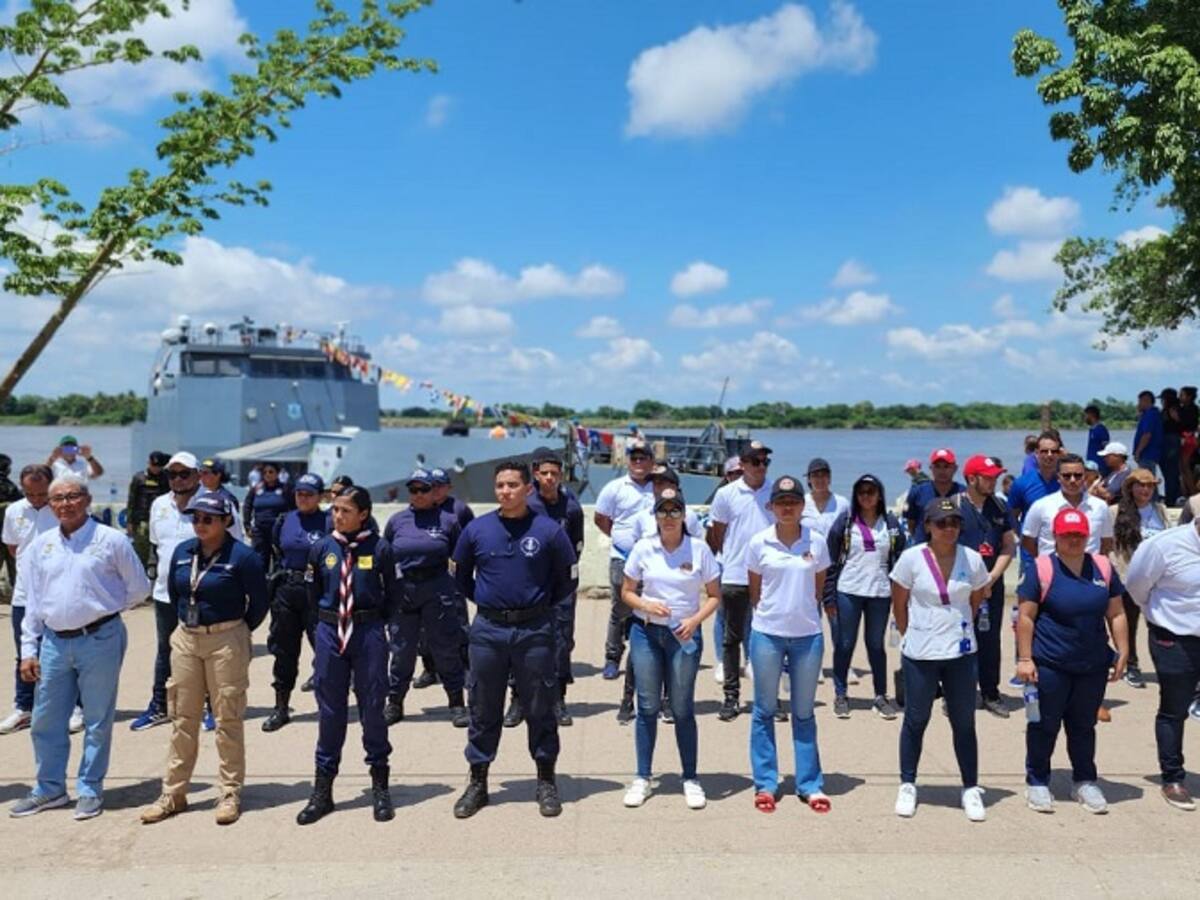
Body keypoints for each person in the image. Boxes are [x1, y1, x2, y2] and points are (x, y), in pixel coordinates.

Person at [9, 474, 149, 820]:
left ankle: (89, 788)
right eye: (57, 498)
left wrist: (104, 609)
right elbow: (33, 603)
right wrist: (28, 650)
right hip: (54, 642)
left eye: (72, 496)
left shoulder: (110, 540)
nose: (65, 504)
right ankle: (49, 788)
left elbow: (139, 588)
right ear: (50, 504)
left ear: (87, 500)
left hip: (100, 638)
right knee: (45, 719)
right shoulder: (42, 546)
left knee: (97, 719)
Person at [450, 460, 576, 820]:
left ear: (528, 489)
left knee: (540, 707)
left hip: (535, 631)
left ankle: (546, 780)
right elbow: (460, 579)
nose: (505, 491)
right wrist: (490, 604)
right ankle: (478, 782)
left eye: (512, 485)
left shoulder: (549, 531)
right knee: (483, 708)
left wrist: (535, 607)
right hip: (489, 631)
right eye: (500, 485)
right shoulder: (477, 529)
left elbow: (566, 580)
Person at [140, 493, 268, 826]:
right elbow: (174, 592)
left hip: (226, 640)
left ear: (226, 521)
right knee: (182, 718)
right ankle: (174, 793)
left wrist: (235, 631)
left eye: (208, 518)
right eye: (195, 517)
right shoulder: (183, 553)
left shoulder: (244, 557)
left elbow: (259, 603)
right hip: (186, 639)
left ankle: (229, 791)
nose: (200, 524)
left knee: (227, 718)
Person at [296, 486, 400, 825]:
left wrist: (374, 624)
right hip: (330, 632)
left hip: (367, 632)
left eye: (345, 510)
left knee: (372, 707)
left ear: (363, 514)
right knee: (330, 710)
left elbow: (394, 596)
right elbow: (312, 594)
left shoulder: (381, 549)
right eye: (335, 509)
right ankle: (323, 790)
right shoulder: (323, 548)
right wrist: (328, 623)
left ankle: (380, 786)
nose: (336, 515)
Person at [1016, 508, 1129, 814]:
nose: (1074, 540)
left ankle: (1085, 780)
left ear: (1087, 536)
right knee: (1044, 724)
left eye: (1079, 535)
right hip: (1050, 662)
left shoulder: (1102, 568)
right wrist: (1025, 659)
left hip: (1091, 664)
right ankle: (1038, 781)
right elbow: (1025, 617)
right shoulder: (1042, 569)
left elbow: (1116, 612)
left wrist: (1124, 650)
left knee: (1083, 725)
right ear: (1056, 536)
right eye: (1067, 535)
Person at [890, 497, 991, 822]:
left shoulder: (973, 559)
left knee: (964, 722)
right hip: (920, 653)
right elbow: (900, 605)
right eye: (941, 523)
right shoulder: (910, 559)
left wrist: (956, 626)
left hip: (961, 653)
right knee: (916, 720)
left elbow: (976, 599)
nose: (949, 529)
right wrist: (916, 634)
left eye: (954, 523)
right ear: (928, 527)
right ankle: (907, 783)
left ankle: (970, 787)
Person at [619, 487, 720, 810]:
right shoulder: (643, 548)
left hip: (684, 635)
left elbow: (715, 595)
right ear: (656, 516)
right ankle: (643, 777)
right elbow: (627, 592)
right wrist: (646, 604)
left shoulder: (699, 548)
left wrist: (694, 620)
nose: (669, 518)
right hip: (646, 633)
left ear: (684, 515)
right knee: (647, 706)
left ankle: (690, 777)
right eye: (663, 511)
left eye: (675, 511)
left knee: (682, 708)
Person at [746, 476, 833, 813]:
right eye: (781, 502)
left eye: (793, 501)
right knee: (764, 709)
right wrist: (774, 614)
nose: (787, 507)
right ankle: (766, 783)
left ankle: (809, 784)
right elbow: (756, 591)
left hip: (807, 635)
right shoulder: (759, 543)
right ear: (771, 506)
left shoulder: (817, 542)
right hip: (767, 633)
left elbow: (818, 587)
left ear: (802, 506)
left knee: (804, 711)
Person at [381, 468, 468, 728]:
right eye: (414, 490)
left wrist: (456, 589)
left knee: (445, 648)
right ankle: (395, 702)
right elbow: (385, 555)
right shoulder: (397, 521)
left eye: (424, 490)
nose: (418, 495)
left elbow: (460, 556)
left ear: (434, 492)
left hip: (437, 588)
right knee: (401, 650)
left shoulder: (448, 520)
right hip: (403, 590)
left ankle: (456, 703)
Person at [1124, 517, 1200, 811]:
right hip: (1174, 638)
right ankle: (1173, 778)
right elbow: (1136, 587)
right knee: (1174, 709)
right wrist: (1159, 618)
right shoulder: (1163, 546)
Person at [620, 463, 705, 725]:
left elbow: (697, 550)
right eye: (655, 482)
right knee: (639, 653)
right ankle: (628, 700)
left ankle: (668, 702)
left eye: (664, 482)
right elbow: (631, 550)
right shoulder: (642, 516)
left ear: (676, 487)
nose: (659, 487)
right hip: (645, 593)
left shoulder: (688, 516)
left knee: (674, 655)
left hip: (677, 600)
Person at [824, 474, 905, 720]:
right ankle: (841, 693)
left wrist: (903, 596)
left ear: (880, 494)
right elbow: (830, 559)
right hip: (848, 590)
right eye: (861, 492)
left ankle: (880, 696)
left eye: (871, 491)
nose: (866, 496)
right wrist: (828, 597)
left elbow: (901, 560)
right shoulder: (846, 521)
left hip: (880, 592)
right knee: (845, 644)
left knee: (876, 645)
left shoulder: (890, 523)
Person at [708, 440, 775, 722]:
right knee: (731, 639)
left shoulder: (777, 491)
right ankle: (731, 697)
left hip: (771, 577)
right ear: (743, 465)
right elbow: (715, 535)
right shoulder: (726, 494)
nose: (761, 467)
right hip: (735, 574)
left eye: (764, 462)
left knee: (770, 639)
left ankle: (769, 698)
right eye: (755, 461)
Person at [522, 446, 585, 727]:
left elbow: (576, 548)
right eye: (544, 473)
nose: (549, 478)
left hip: (560, 587)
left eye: (554, 474)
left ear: (561, 475)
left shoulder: (571, 507)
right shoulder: (525, 504)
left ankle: (558, 699)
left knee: (560, 643)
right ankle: (517, 701)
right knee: (521, 641)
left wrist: (565, 584)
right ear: (535, 474)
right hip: (527, 584)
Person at [261, 472, 329, 732]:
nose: (303, 498)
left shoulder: (329, 521)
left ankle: (329, 706)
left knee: (325, 651)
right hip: (287, 590)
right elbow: (276, 552)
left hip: (318, 592)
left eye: (309, 494)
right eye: (299, 493)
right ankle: (281, 707)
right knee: (284, 652)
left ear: (320, 496)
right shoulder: (284, 520)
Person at [956, 455, 1018, 717]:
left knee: (990, 640)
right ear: (972, 478)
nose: (993, 481)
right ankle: (958, 694)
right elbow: (941, 547)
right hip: (960, 586)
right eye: (988, 477)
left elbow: (1008, 545)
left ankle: (991, 693)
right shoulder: (954, 507)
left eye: (995, 477)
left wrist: (991, 577)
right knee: (958, 638)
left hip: (992, 585)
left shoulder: (1000, 507)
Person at [594, 437, 655, 695]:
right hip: (622, 556)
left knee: (650, 608)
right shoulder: (615, 487)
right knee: (620, 607)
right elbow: (601, 518)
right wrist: (621, 539)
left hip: (653, 559)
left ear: (652, 461)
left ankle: (646, 657)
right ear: (628, 460)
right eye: (634, 458)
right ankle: (612, 657)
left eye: (643, 458)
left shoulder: (660, 487)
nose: (639, 462)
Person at [0, 465, 56, 735]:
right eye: (30, 493)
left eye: (41, 493)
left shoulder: (61, 508)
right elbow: (13, 548)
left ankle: (70, 707)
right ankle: (24, 707)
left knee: (63, 654)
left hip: (57, 595)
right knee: (25, 653)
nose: (36, 499)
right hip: (24, 595)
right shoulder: (13, 511)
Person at [1109, 469, 1168, 690]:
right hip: (1129, 577)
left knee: (1160, 624)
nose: (1145, 490)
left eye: (1150, 486)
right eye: (1141, 485)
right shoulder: (1115, 512)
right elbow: (1109, 546)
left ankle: (1164, 665)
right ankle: (1131, 665)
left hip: (1158, 579)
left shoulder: (1160, 510)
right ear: (1130, 487)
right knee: (1129, 624)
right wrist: (1116, 571)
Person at [1021, 454, 1114, 558]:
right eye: (1067, 476)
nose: (1072, 480)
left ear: (1084, 477)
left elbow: (1106, 542)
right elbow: (1028, 541)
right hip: (1052, 571)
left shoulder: (1100, 506)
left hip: (1090, 571)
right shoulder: (1041, 506)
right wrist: (1046, 562)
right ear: (1058, 477)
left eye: (1078, 475)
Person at [710, 456, 745, 684]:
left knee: (752, 618)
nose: (738, 477)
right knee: (722, 614)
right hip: (725, 564)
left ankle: (751, 659)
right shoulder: (722, 497)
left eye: (742, 472)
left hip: (749, 566)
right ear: (727, 476)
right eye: (734, 473)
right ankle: (722, 661)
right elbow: (714, 533)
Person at [902, 448, 965, 546]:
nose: (942, 471)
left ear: (955, 468)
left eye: (946, 466)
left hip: (955, 550)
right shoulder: (917, 492)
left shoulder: (963, 493)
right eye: (937, 466)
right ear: (931, 468)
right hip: (924, 550)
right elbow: (911, 523)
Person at [243, 461, 294, 572]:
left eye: (271, 472)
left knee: (279, 559)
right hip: (260, 531)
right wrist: (247, 525)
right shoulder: (256, 489)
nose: (268, 474)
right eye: (265, 472)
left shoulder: (286, 489)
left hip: (279, 531)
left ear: (277, 473)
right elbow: (247, 506)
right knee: (259, 560)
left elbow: (293, 508)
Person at [1008, 431, 1062, 529]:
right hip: (1029, 542)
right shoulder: (1021, 483)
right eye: (1044, 451)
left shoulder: (1068, 482)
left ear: (1059, 454)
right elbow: (1011, 518)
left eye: (1054, 451)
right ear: (1036, 453)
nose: (1049, 455)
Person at [126, 451, 170, 568]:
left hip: (161, 518)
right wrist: (130, 521)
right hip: (142, 519)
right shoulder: (139, 478)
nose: (155, 468)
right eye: (153, 465)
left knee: (160, 548)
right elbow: (132, 500)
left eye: (158, 466)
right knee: (141, 549)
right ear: (148, 463)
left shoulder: (167, 478)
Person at [801, 457, 849, 536]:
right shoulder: (801, 503)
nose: (820, 479)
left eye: (823, 475)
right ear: (809, 479)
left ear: (829, 478)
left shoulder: (843, 503)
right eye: (815, 475)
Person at [1133, 389, 1164, 478]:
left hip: (1147, 454)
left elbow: (1147, 435)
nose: (1138, 404)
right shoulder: (1150, 414)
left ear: (1146, 400)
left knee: (1146, 479)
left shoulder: (1150, 414)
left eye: (1140, 401)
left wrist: (1138, 452)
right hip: (1149, 454)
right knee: (1148, 479)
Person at [1160, 388, 1183, 505]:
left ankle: (1171, 499)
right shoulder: (1170, 409)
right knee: (1170, 472)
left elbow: (1179, 423)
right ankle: (1174, 497)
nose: (1162, 402)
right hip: (1170, 440)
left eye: (1163, 399)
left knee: (1171, 472)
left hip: (1171, 440)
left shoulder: (1173, 409)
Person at [1084, 405, 1111, 475]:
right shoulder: (1092, 429)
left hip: (1100, 466)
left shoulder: (1101, 429)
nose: (1085, 418)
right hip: (1091, 464)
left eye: (1086, 415)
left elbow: (1106, 447)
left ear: (1092, 415)